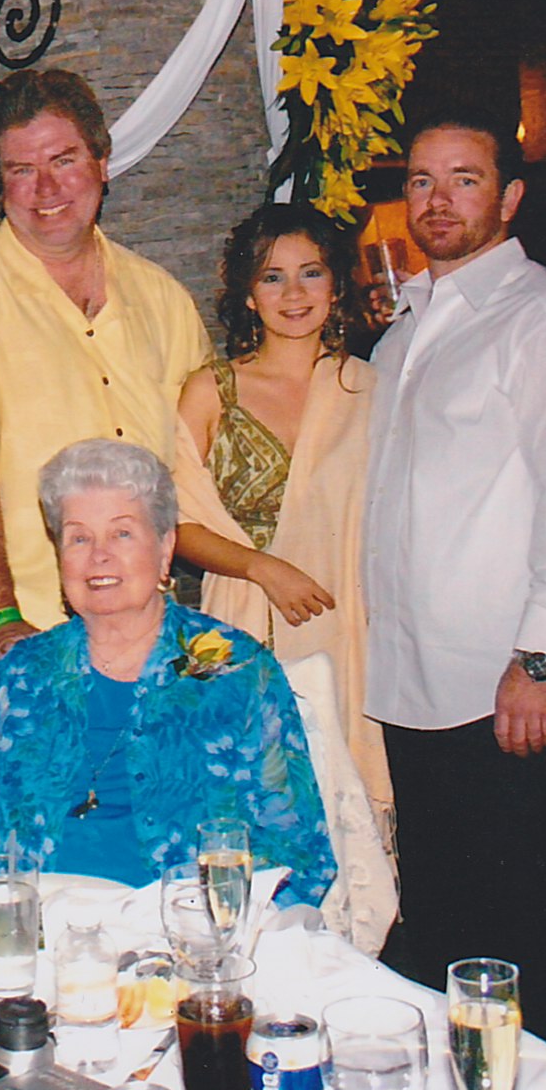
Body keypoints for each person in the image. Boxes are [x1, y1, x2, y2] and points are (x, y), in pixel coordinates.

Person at [363, 113, 546, 1061]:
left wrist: (542, 656)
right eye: (422, 181)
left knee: (542, 958)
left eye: (465, 179)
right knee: (457, 948)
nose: (439, 200)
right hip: (422, 689)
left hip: (512, 687)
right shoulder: (406, 331)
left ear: (509, 198)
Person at [0, 69, 210, 756]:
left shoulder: (161, 298)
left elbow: (192, 474)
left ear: (102, 162)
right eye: (21, 170)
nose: (46, 190)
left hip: (149, 644)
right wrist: (2, 626)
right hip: (20, 641)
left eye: (64, 160)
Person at [0, 439, 335, 902]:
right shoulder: (19, 677)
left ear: (165, 549)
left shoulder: (236, 670)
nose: (98, 555)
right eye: (79, 537)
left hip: (187, 936)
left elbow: (300, 852)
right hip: (43, 935)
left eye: (122, 534)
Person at [170, 203, 392, 952]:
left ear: (337, 286)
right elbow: (177, 518)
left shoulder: (371, 387)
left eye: (310, 273)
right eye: (273, 277)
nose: (293, 294)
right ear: (246, 292)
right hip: (247, 623)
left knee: (349, 822)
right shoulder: (213, 392)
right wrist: (262, 567)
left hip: (352, 628)